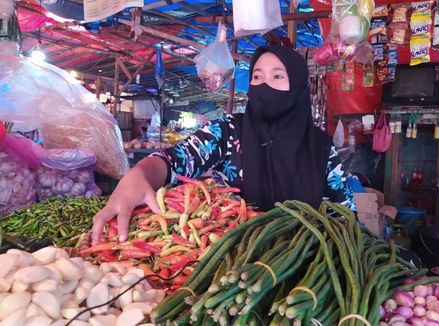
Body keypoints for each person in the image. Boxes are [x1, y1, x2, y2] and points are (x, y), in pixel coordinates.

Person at [92, 45, 356, 244]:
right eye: (257, 76)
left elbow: (345, 220)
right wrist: (139, 174)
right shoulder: (228, 131)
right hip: (228, 270)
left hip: (305, 274)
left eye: (277, 76)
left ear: (298, 87)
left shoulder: (321, 149)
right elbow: (175, 160)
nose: (264, 84)